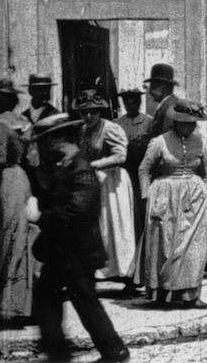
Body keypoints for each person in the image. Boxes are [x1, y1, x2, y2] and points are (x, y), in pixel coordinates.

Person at [27, 113, 129, 362]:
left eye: (47, 141)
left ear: (60, 140)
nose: (44, 146)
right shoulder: (64, 166)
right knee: (49, 298)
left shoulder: (81, 169)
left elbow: (77, 212)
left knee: (83, 301)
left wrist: (40, 217)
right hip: (63, 252)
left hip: (79, 253)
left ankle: (113, 351)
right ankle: (62, 353)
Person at [144, 63, 207, 277]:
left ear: (162, 87)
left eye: (153, 86)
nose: (150, 91)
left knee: (182, 222)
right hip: (177, 173)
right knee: (184, 222)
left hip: (176, 173)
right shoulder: (166, 106)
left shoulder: (171, 109)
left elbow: (171, 141)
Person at [138, 99, 207, 308]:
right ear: (176, 122)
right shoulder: (159, 142)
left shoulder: (200, 141)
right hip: (166, 197)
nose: (189, 127)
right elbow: (144, 169)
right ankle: (163, 294)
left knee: (195, 246)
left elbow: (205, 172)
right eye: (184, 123)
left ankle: (191, 294)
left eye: (192, 123)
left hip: (195, 198)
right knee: (167, 246)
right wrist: (147, 196)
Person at [73, 90, 136, 293]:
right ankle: (100, 271)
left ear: (100, 111)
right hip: (93, 182)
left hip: (113, 182)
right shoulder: (83, 130)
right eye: (84, 112)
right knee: (99, 228)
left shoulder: (111, 128)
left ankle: (126, 274)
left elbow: (120, 156)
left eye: (93, 112)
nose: (88, 116)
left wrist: (95, 165)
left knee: (117, 225)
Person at [0, 77, 36, 324]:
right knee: (20, 237)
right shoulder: (25, 123)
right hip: (22, 179)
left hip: (5, 181)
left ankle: (2, 304)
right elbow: (34, 159)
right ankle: (18, 304)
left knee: (3, 238)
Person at [115, 89, 153, 251]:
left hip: (143, 173)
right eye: (127, 102)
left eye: (134, 102)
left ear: (139, 103)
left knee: (143, 209)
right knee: (127, 210)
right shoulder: (118, 124)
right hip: (126, 173)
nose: (130, 105)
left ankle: (145, 247)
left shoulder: (149, 122)